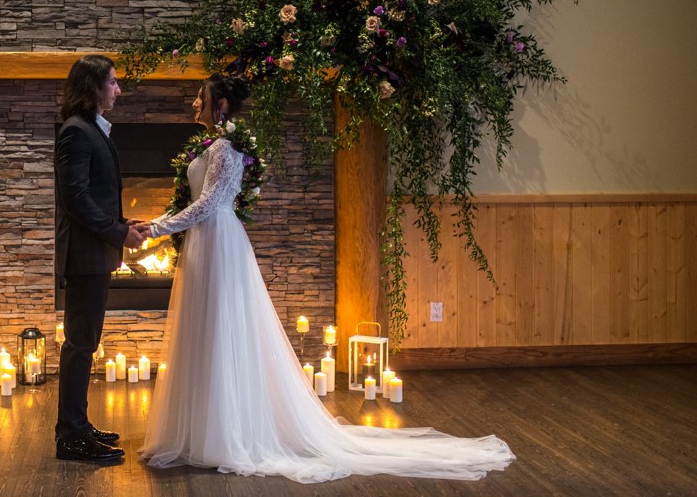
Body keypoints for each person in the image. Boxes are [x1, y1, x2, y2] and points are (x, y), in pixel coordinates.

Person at [138, 74, 515, 483]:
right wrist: (156, 224)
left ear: (222, 106)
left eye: (202, 97)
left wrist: (156, 229)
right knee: (204, 330)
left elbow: (210, 204)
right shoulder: (211, 146)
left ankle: (226, 433)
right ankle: (202, 429)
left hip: (218, 241)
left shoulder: (226, 149)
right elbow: (196, 203)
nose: (195, 102)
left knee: (222, 329)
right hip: (203, 242)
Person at [54, 54, 148, 463]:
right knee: (79, 344)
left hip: (96, 254)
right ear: (93, 86)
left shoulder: (92, 129)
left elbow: (96, 196)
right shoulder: (76, 131)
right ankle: (70, 436)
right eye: (112, 82)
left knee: (84, 343)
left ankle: (79, 426)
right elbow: (75, 199)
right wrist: (118, 234)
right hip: (85, 256)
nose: (118, 89)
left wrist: (125, 223)